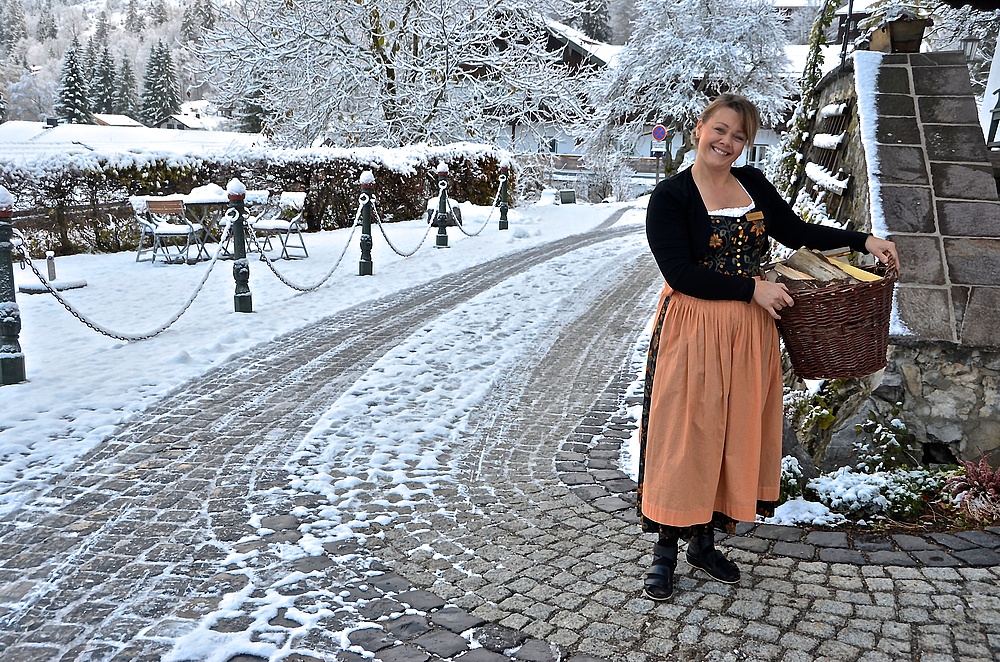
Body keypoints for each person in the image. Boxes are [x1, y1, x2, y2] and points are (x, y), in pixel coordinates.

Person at [638, 94, 898, 601]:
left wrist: (863, 240)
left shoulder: (753, 185)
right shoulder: (670, 197)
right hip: (695, 326)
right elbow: (680, 274)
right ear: (699, 128)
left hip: (752, 332)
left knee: (731, 432)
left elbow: (797, 232)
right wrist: (750, 289)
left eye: (739, 137)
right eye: (721, 129)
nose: (727, 143)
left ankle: (704, 542)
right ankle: (665, 550)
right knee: (686, 434)